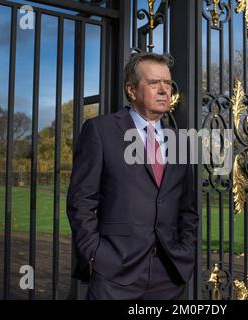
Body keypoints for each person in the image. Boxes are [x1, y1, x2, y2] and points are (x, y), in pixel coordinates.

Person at [66, 52, 198, 300]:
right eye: (153, 83)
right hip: (114, 272)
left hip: (169, 276)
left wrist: (186, 252)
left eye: (168, 83)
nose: (164, 90)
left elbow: (187, 209)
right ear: (132, 90)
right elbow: (81, 201)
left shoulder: (180, 141)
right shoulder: (100, 131)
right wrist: (94, 255)